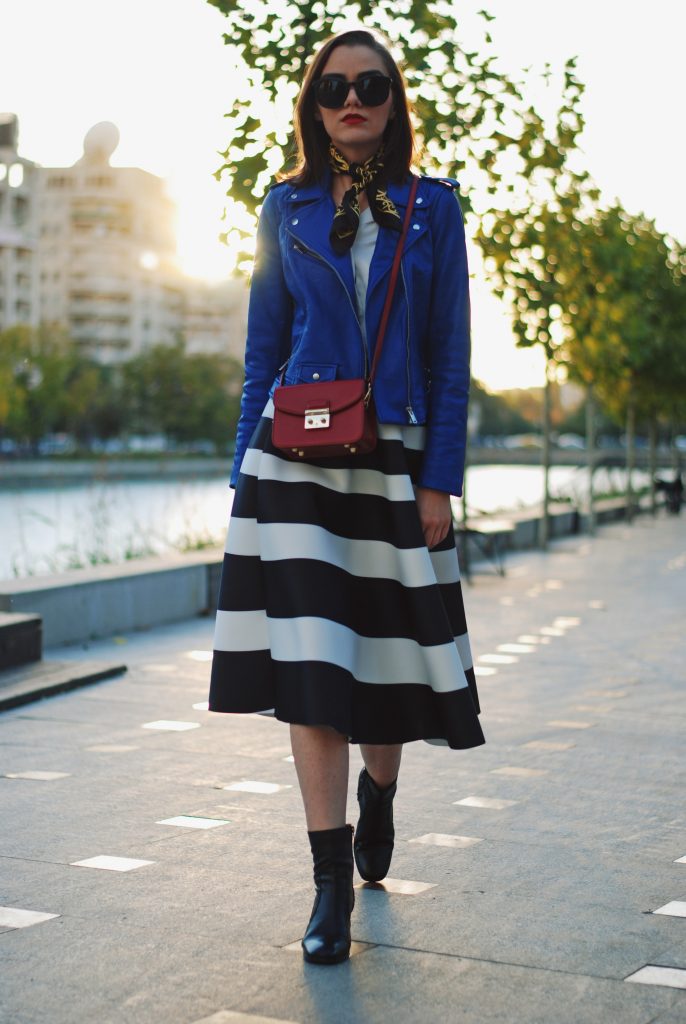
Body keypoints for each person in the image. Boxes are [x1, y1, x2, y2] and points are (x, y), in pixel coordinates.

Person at [209, 27, 485, 965]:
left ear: (393, 100)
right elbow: (262, 351)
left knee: (384, 669)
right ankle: (328, 885)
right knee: (315, 675)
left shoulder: (433, 208)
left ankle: (382, 792)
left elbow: (452, 358)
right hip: (295, 461)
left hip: (398, 456)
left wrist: (441, 477)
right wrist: (241, 469)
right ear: (313, 102)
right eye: (334, 86)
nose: (351, 100)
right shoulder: (283, 207)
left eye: (370, 85)